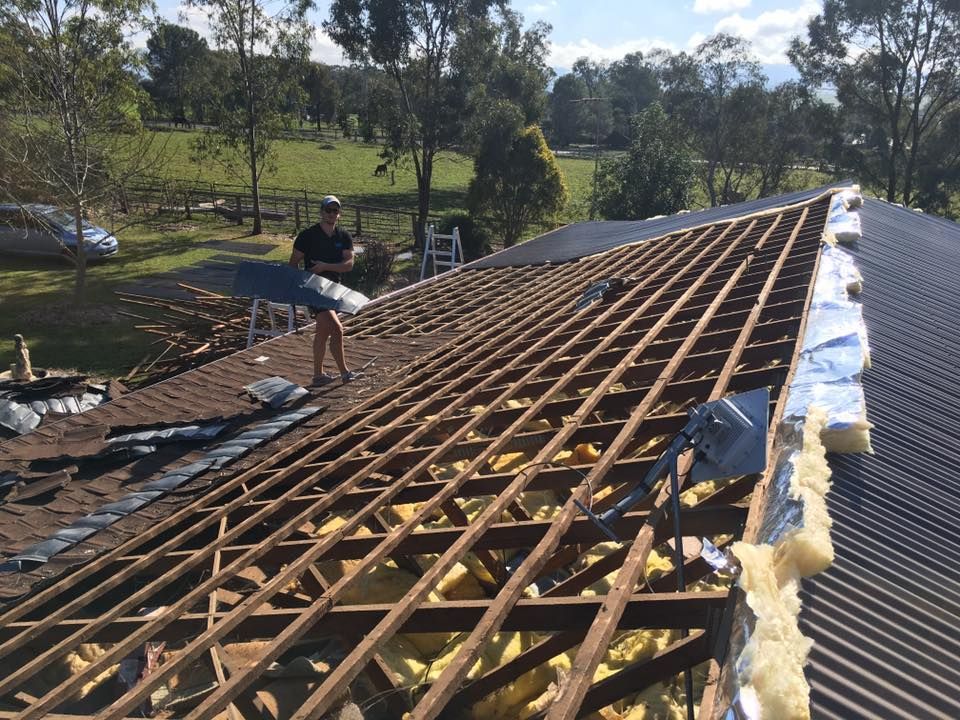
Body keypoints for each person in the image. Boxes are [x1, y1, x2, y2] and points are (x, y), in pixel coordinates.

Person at [288, 195, 360, 385]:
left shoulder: (343, 236)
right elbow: (293, 263)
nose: (331, 214)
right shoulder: (307, 236)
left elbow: (349, 264)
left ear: (339, 214)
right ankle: (345, 373)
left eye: (335, 211)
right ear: (321, 212)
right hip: (314, 289)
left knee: (323, 331)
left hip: (334, 290)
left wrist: (325, 267)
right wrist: (298, 288)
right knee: (337, 328)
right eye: (328, 210)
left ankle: (318, 375)